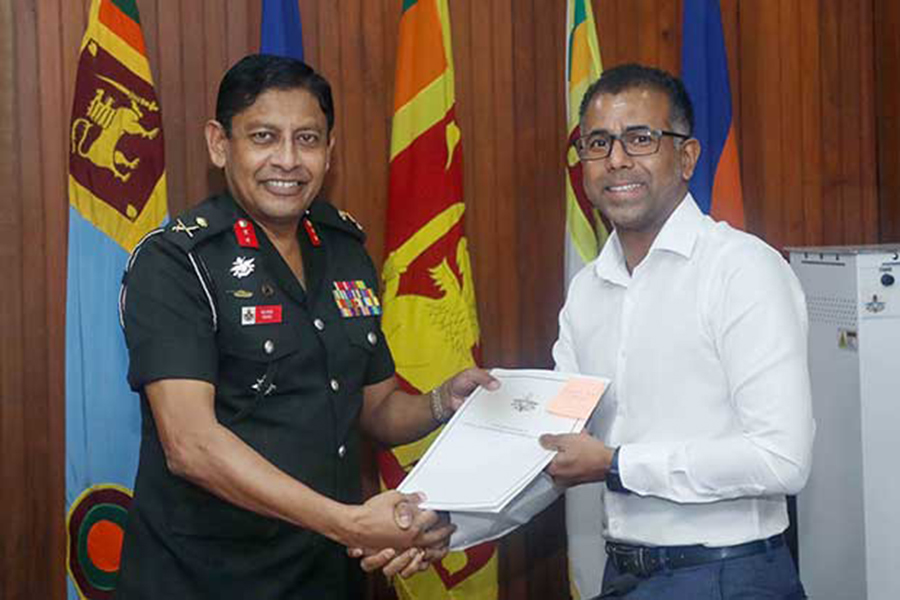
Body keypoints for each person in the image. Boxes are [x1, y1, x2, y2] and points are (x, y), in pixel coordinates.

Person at [114, 54, 495, 599]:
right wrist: (349, 523)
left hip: (326, 575)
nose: (288, 160)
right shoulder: (177, 261)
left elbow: (376, 408)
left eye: (308, 139)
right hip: (207, 579)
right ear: (220, 144)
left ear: (329, 151)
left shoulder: (343, 249)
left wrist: (442, 402)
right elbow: (190, 444)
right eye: (264, 137)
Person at [538, 64, 815, 598]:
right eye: (598, 143)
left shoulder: (741, 270)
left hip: (728, 576)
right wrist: (443, 527)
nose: (616, 159)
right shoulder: (588, 292)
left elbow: (782, 458)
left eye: (639, 139)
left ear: (686, 157)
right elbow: (556, 446)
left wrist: (619, 465)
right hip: (621, 575)